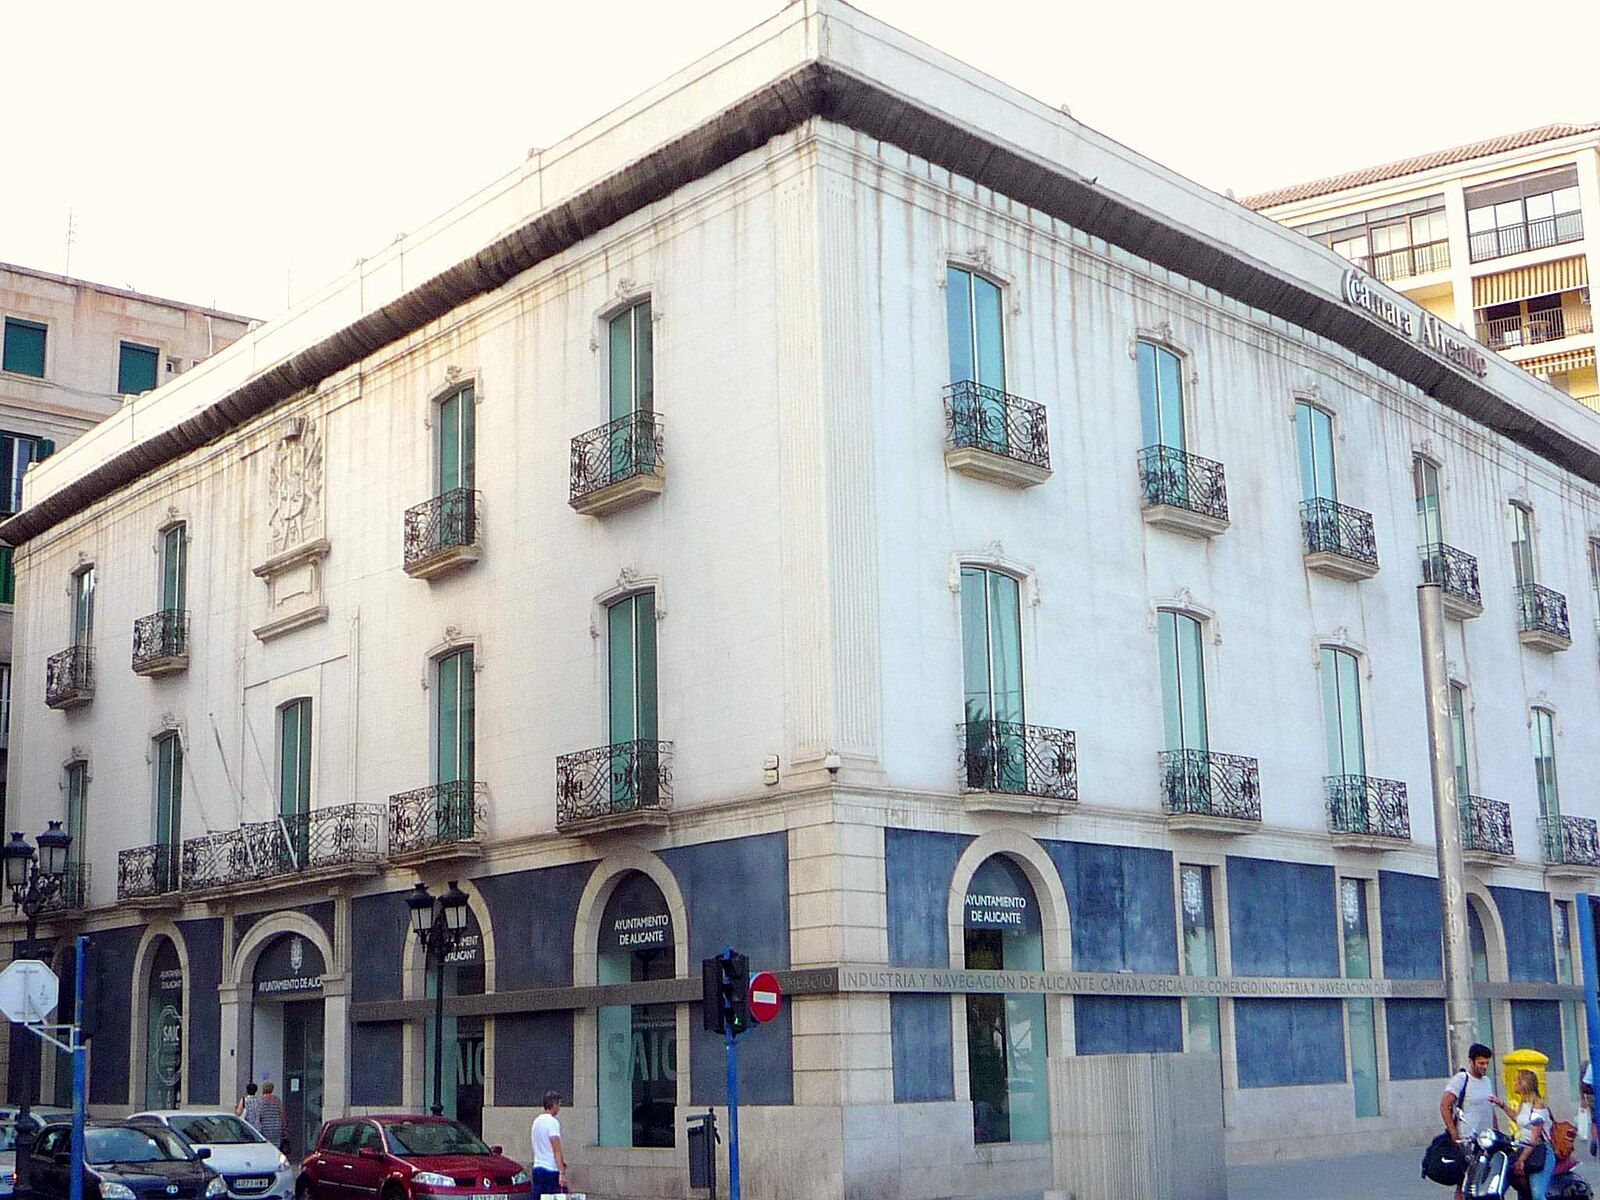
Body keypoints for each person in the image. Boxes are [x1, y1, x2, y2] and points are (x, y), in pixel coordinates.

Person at [1442, 1043, 1498, 1200]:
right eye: (1481, 1063)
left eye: (1487, 1063)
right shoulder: (1461, 1079)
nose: (1484, 1067)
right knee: (1464, 1184)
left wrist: (1496, 1131)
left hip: (1486, 1140)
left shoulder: (1487, 1081)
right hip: (1467, 1141)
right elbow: (1445, 1105)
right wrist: (1454, 1131)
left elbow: (1490, 1109)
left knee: (1483, 1183)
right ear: (1471, 1061)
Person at [1492, 1069, 1554, 1200]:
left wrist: (1521, 1160)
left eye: (1517, 1081)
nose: (1514, 1083)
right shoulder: (1524, 1103)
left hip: (1540, 1152)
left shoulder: (1538, 1106)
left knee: (1537, 1194)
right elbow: (1517, 1118)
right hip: (1523, 1149)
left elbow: (1535, 1138)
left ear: (1524, 1084)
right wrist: (1501, 1105)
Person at [530, 1091, 568, 1198]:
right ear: (554, 1104)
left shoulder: (536, 1121)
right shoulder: (553, 1122)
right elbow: (556, 1149)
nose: (559, 1108)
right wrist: (562, 1172)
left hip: (537, 1167)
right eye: (559, 1105)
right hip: (550, 1169)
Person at [256, 1080, 286, 1151]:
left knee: (266, 1147)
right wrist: (284, 1126)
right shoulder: (277, 1100)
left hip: (265, 1127)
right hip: (276, 1127)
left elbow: (259, 1114)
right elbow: (282, 1113)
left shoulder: (260, 1100)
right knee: (276, 1147)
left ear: (263, 1089)